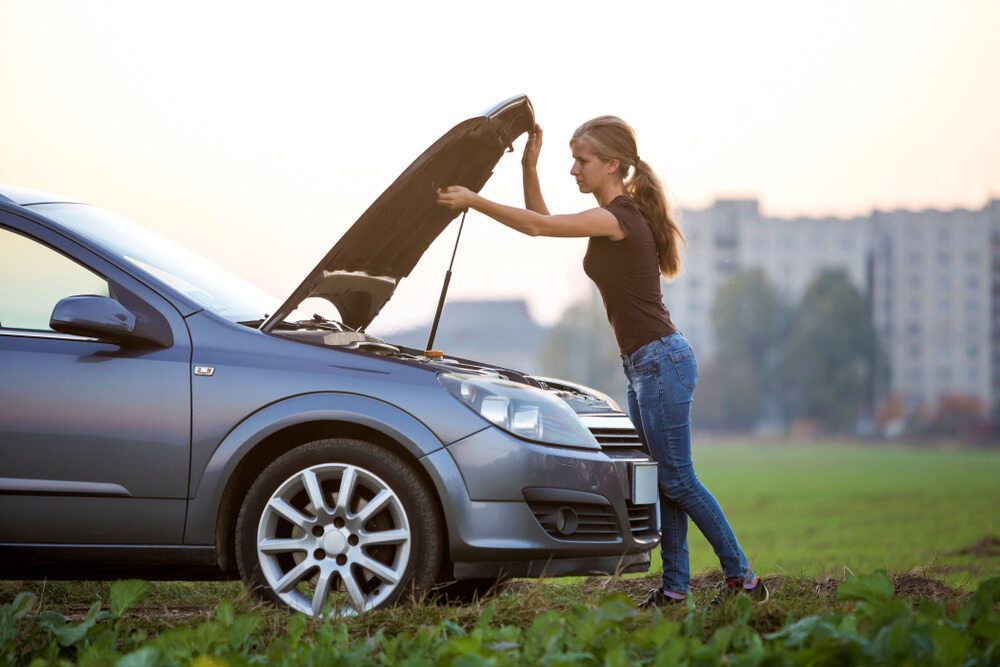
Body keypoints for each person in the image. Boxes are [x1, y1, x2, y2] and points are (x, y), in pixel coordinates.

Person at [436, 115, 767, 607]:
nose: (574, 170)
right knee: (665, 481)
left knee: (678, 479)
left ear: (613, 165)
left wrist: (473, 200)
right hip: (644, 367)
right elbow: (540, 222)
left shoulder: (619, 217)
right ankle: (676, 589)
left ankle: (743, 579)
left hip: (662, 363)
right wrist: (530, 164)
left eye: (582, 161)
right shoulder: (614, 213)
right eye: (571, 160)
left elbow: (537, 225)